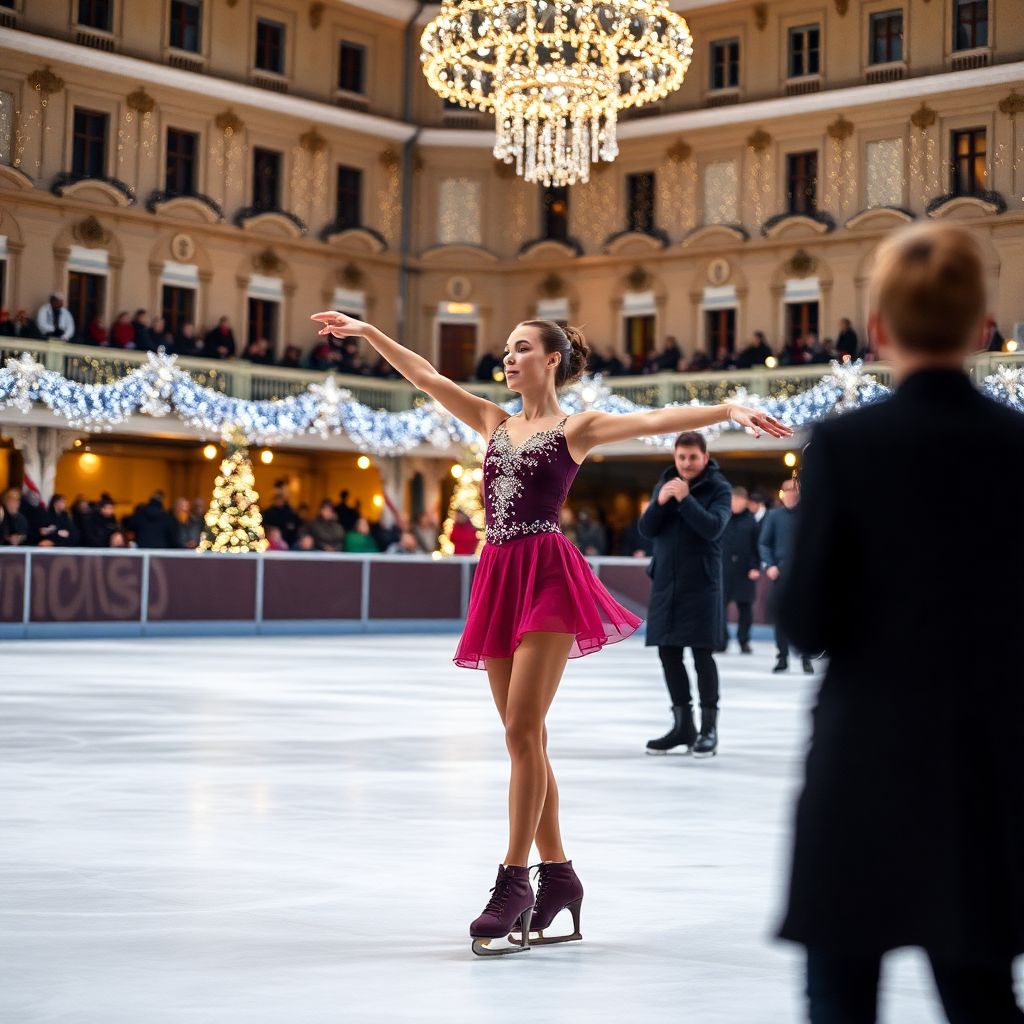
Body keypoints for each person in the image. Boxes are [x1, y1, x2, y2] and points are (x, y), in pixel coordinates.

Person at [312, 306, 789, 957]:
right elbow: (425, 376)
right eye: (506, 350)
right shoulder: (493, 420)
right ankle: (560, 877)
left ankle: (515, 883)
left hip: (546, 574)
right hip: (499, 574)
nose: (508, 359)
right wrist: (367, 333)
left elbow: (655, 421)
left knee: (520, 729)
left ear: (552, 359)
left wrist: (727, 409)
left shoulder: (578, 426)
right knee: (524, 738)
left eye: (521, 348)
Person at [778, 221, 1024, 1023]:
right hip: (990, 763)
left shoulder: (846, 447)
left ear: (877, 329)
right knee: (982, 992)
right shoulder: (1016, 446)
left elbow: (805, 621)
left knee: (841, 995)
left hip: (866, 757)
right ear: (983, 328)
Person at [640, 431, 732, 758]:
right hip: (666, 583)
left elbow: (712, 528)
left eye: (693, 457)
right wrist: (662, 502)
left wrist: (685, 498)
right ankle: (683, 727)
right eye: (681, 457)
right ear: (675, 457)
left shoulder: (719, 488)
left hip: (701, 586)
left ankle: (709, 730)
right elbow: (647, 530)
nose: (687, 463)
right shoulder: (664, 485)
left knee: (702, 656)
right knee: (668, 653)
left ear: (705, 457)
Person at [759, 477, 812, 674]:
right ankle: (782, 657)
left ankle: (806, 657)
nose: (791, 495)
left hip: (804, 573)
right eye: (787, 491)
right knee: (781, 617)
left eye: (794, 491)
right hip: (779, 573)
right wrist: (770, 565)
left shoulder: (809, 514)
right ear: (782, 494)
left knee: (806, 616)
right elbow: (764, 543)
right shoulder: (774, 516)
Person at [721, 486, 760, 654]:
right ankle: (721, 641)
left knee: (745, 608)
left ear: (745, 502)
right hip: (724, 571)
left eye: (738, 500)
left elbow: (757, 546)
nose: (735, 503)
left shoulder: (751, 521)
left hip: (745, 572)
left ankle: (744, 641)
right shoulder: (721, 519)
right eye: (733, 500)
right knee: (719, 609)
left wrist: (755, 567)